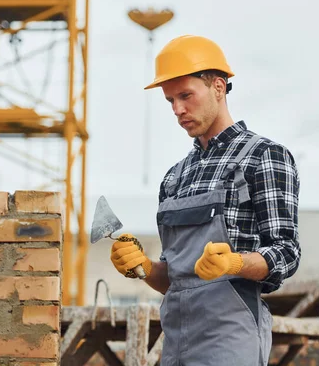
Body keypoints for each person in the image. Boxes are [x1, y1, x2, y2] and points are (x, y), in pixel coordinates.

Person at [110, 35, 301, 366]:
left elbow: (286, 252)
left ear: (218, 87)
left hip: (231, 337)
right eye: (170, 100)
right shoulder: (174, 177)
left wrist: (235, 263)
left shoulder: (263, 157)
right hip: (176, 340)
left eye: (185, 95)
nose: (178, 109)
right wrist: (143, 268)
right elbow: (174, 279)